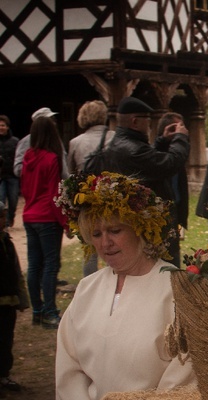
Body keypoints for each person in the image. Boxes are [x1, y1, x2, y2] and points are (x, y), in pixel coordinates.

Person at [53, 172, 196, 400]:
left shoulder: (176, 287)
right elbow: (68, 366)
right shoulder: (87, 288)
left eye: (115, 231)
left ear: (139, 228)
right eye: (96, 234)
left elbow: (186, 366)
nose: (105, 243)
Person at [103, 96, 189, 265]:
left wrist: (163, 141)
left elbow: (150, 166)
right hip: (152, 226)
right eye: (147, 119)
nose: (150, 124)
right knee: (165, 271)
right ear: (135, 121)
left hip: (144, 224)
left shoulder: (123, 144)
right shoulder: (132, 150)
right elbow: (170, 164)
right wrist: (181, 138)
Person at [21, 116, 67, 329]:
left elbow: (25, 189)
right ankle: (49, 311)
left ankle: (37, 310)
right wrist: (66, 223)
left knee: (34, 265)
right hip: (47, 217)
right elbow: (54, 195)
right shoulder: (51, 160)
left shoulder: (28, 157)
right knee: (50, 265)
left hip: (30, 215)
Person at [67, 100, 115, 276]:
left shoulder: (75, 143)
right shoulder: (114, 138)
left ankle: (90, 287)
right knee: (116, 245)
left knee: (89, 250)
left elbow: (71, 175)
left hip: (87, 201)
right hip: (114, 199)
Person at [0, 200, 29, 393]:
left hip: (8, 302)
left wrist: (22, 297)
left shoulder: (7, 242)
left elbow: (17, 272)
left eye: (2, 216)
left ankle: (3, 374)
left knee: (5, 339)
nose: (1, 220)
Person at [154, 112, 189, 264]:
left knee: (174, 256)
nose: (181, 131)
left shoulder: (178, 154)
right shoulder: (156, 155)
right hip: (160, 215)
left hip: (175, 211)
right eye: (177, 127)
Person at [14, 107, 69, 180]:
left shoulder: (56, 140)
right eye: (50, 120)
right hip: (34, 185)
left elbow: (63, 163)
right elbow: (17, 169)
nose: (54, 123)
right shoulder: (26, 141)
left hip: (55, 184)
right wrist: (39, 170)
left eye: (53, 119)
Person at [0, 115, 20, 228]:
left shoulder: (15, 141)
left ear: (7, 127)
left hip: (12, 176)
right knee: (1, 199)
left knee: (13, 199)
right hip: (1, 177)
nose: (1, 128)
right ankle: (3, 223)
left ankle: (11, 216)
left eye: (3, 125)